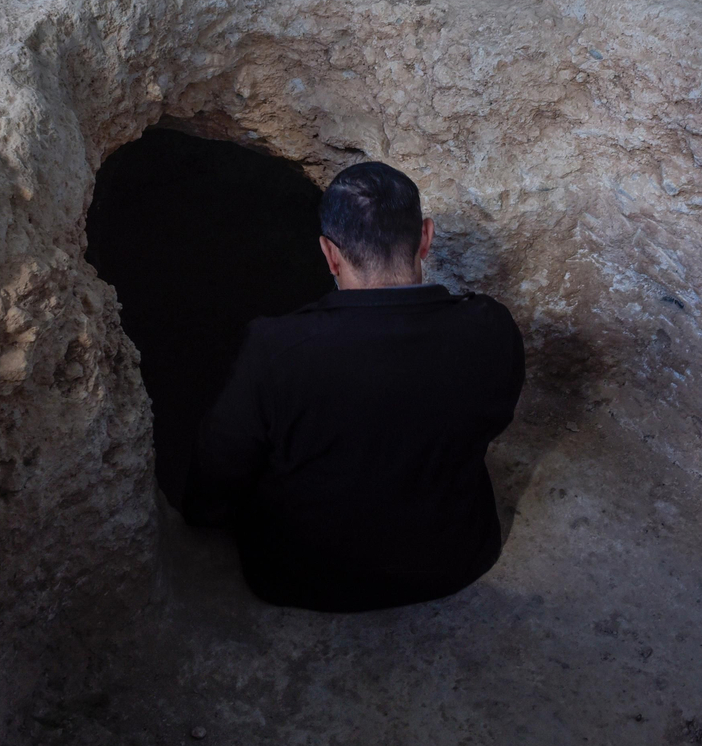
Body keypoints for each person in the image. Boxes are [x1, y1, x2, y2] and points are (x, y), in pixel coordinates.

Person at [180, 161, 525, 612]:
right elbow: (491, 420)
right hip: (453, 562)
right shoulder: (490, 328)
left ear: (329, 252)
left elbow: (222, 465)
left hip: (303, 579)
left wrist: (200, 517)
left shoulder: (277, 349)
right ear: (426, 237)